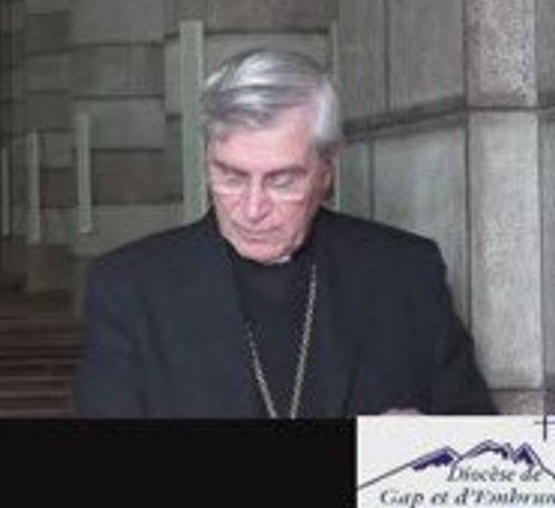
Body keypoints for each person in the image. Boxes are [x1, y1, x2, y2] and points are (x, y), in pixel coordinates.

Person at [74, 49, 495, 418]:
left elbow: (482, 458)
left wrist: (419, 449)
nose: (252, 209)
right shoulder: (130, 288)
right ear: (207, 159)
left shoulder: (404, 272)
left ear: (327, 167)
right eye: (232, 176)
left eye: (282, 181)